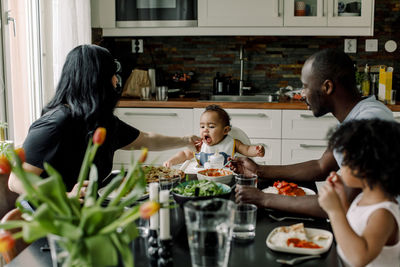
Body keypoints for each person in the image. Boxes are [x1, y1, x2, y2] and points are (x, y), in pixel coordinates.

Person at [8, 44, 200, 195]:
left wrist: (186, 140)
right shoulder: (56, 123)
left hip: (89, 211)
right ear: (97, 79)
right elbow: (16, 182)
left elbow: (147, 139)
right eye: (112, 75)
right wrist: (65, 196)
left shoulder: (100, 120)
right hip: (54, 219)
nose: (116, 81)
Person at [232, 48, 394, 217]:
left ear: (327, 87)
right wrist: (259, 170)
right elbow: (321, 166)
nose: (301, 95)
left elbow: (343, 201)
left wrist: (264, 199)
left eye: (305, 86)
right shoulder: (356, 116)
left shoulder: (368, 123)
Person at [318, 119, 400, 267]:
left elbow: (359, 258)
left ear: (365, 168)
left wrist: (334, 211)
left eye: (344, 162)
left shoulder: (383, 214)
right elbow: (354, 226)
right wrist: (341, 198)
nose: (340, 167)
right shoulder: (364, 197)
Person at [163, 104, 265, 167]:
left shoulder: (232, 143)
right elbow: (184, 154)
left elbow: (246, 149)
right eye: (202, 127)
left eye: (211, 126)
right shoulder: (199, 145)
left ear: (225, 130)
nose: (205, 130)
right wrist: (171, 161)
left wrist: (257, 150)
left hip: (227, 179)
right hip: (203, 180)